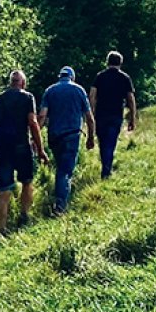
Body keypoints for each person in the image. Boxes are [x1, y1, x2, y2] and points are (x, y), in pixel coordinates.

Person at [0, 69, 47, 232]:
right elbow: (32, 123)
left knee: (4, 189)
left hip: (1, 147)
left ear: (10, 83)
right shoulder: (27, 97)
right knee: (27, 181)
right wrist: (40, 148)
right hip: (21, 145)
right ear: (23, 83)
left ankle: (1, 228)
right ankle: (24, 215)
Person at [38, 66, 94, 213]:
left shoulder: (50, 91)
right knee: (65, 171)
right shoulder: (79, 90)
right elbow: (89, 117)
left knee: (60, 167)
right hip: (72, 135)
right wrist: (91, 137)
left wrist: (35, 136)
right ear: (72, 77)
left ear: (60, 77)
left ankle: (58, 195)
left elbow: (42, 115)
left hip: (55, 136)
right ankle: (60, 205)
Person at [90, 50, 137, 179]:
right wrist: (132, 118)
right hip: (116, 115)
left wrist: (91, 114)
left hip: (101, 115)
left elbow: (92, 96)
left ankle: (106, 168)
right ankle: (106, 170)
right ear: (120, 63)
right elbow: (131, 99)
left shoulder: (100, 76)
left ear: (107, 62)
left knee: (103, 142)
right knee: (111, 142)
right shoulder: (125, 78)